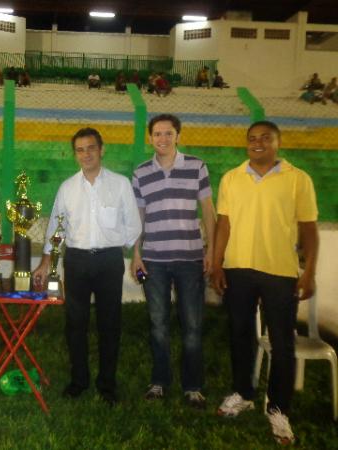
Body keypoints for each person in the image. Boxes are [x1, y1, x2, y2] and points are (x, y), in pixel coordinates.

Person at [210, 121, 318, 445]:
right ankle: (243, 393)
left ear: (277, 142)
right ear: (247, 144)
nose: (258, 144)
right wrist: (217, 264)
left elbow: (309, 230)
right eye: (252, 139)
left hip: (280, 273)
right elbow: (224, 225)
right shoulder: (231, 178)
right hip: (238, 269)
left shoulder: (298, 179)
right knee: (240, 335)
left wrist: (309, 271)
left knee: (282, 343)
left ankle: (279, 409)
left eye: (265, 139)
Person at [33, 127, 141, 406]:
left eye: (91, 148)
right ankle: (79, 380)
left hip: (108, 261)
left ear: (101, 149)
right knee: (75, 323)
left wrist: (125, 247)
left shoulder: (119, 184)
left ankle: (107, 385)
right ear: (75, 154)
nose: (86, 154)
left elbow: (133, 225)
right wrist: (46, 261)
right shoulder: (67, 188)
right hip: (77, 261)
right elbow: (57, 228)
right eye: (80, 150)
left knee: (110, 324)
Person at [131, 114, 216, 409]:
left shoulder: (196, 166)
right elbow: (138, 217)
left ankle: (193, 386)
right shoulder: (141, 172)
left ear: (178, 135)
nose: (162, 139)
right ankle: (159, 381)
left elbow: (208, 210)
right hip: (153, 260)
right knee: (157, 324)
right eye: (157, 134)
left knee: (192, 325)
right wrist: (137, 254)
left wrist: (212, 251)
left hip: (191, 259)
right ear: (149, 138)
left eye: (168, 133)